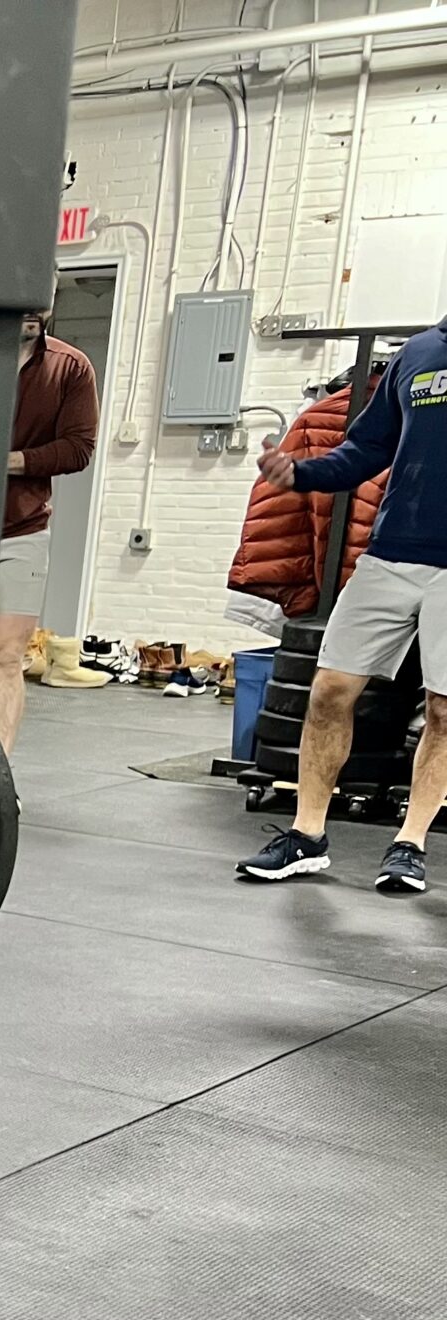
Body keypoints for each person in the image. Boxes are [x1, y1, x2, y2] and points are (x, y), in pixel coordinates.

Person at [238, 314, 447, 894]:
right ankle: (306, 836)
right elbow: (366, 448)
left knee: (443, 710)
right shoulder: (418, 353)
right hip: (391, 553)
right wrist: (300, 473)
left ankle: (410, 843)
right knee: (330, 689)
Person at [0, 307, 101, 746]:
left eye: (46, 293)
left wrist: (8, 462)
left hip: (23, 529)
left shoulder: (70, 367)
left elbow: (78, 448)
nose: (35, 309)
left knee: (5, 655)